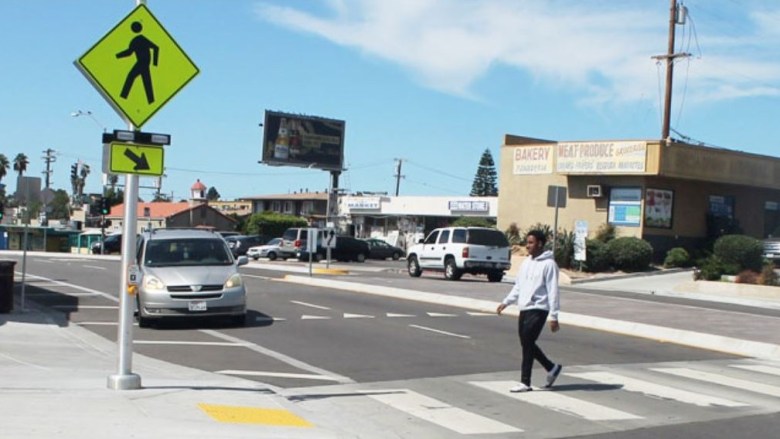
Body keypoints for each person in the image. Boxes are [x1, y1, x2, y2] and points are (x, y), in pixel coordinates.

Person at [496, 229, 562, 393]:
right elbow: (518, 286)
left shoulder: (549, 264)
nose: (527, 246)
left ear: (540, 244)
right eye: (527, 242)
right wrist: (506, 302)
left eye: (531, 243)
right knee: (527, 343)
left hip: (539, 308)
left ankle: (525, 382)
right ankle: (551, 367)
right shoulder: (526, 263)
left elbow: (553, 291)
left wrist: (554, 316)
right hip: (524, 308)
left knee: (527, 342)